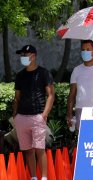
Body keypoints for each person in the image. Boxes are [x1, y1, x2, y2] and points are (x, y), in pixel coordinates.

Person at [13, 45, 55, 180]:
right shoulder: (20, 75)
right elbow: (17, 97)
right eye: (22, 55)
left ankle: (44, 177)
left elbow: (51, 95)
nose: (23, 57)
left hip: (37, 116)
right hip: (21, 118)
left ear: (34, 55)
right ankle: (33, 177)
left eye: (26, 54)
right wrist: (15, 115)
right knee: (28, 150)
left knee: (40, 149)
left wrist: (44, 114)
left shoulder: (44, 73)